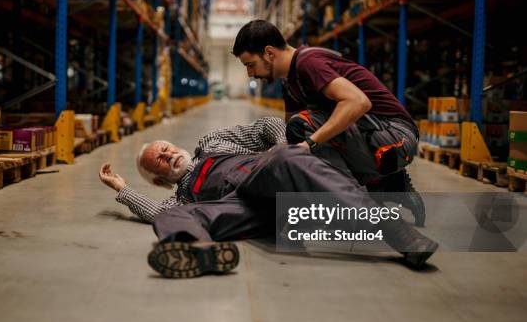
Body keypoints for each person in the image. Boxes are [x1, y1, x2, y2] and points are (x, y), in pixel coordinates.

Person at [99, 117, 438, 279]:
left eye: (166, 147)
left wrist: (280, 144)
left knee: (285, 157)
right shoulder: (181, 196)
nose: (168, 153)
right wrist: (121, 189)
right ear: (159, 179)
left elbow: (265, 125)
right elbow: (155, 210)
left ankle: (396, 232)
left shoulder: (214, 143)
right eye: (158, 159)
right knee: (167, 218)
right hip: (247, 211)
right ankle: (199, 251)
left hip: (265, 176)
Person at [232, 19, 420, 193]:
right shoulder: (289, 81)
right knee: (297, 134)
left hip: (397, 138)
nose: (250, 73)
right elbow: (292, 134)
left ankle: (353, 203)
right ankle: (387, 184)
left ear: (269, 53)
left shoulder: (308, 62)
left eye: (251, 64)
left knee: (304, 128)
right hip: (374, 135)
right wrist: (278, 151)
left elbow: (358, 102)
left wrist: (310, 144)